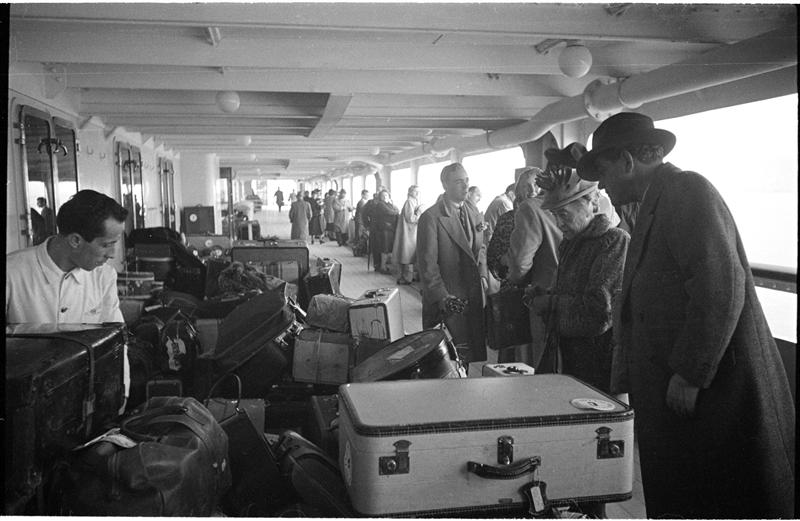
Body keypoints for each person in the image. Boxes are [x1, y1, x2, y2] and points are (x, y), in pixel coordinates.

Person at [577, 112, 795, 519]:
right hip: (684, 395)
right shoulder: (654, 201)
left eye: (603, 171)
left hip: (713, 394)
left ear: (627, 160)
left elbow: (719, 284)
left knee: (723, 499)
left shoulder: (687, 190)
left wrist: (691, 372)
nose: (601, 185)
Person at [6, 189, 130, 412]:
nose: (112, 254)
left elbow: (116, 342)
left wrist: (121, 395)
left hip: (83, 402)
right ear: (75, 240)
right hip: (23, 406)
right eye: (106, 244)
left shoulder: (104, 276)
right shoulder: (12, 273)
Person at [529, 143, 629, 390]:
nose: (558, 223)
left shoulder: (614, 242)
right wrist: (546, 294)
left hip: (597, 367)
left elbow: (598, 314)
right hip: (569, 361)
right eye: (554, 215)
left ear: (591, 203)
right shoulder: (570, 243)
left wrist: (549, 303)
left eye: (563, 214)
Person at [418, 163, 488, 363]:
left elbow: (481, 248)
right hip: (449, 301)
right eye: (458, 182)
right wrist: (443, 298)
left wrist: (483, 275)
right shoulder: (431, 218)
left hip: (473, 295)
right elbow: (428, 266)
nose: (466, 186)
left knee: (470, 357)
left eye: (467, 181)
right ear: (445, 185)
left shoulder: (473, 212)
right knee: (449, 360)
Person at [506, 161, 562, 370]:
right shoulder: (595, 204)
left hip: (541, 296)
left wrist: (514, 278)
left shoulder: (531, 208)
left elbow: (520, 263)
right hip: (574, 299)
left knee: (538, 362)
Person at [392, 185, 422, 285]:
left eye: (418, 192)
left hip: (410, 232)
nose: (417, 193)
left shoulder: (413, 201)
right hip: (408, 233)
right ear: (410, 192)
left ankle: (407, 276)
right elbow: (411, 218)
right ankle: (407, 277)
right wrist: (419, 213)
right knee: (407, 256)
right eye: (415, 191)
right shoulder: (409, 202)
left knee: (408, 255)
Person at [369, 190, 399, 273]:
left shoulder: (389, 204)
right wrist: (396, 211)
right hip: (383, 230)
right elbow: (389, 212)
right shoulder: (380, 204)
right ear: (380, 197)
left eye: (386, 195)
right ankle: (383, 267)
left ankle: (383, 266)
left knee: (387, 248)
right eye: (383, 195)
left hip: (389, 229)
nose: (385, 197)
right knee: (384, 248)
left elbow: (395, 210)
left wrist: (395, 209)